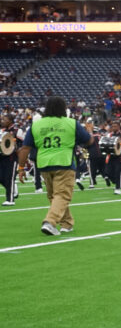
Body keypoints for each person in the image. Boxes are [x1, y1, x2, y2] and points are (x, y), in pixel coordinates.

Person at [17, 96, 94, 235]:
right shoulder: (71, 123)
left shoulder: (36, 125)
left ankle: (67, 223)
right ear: (63, 108)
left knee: (54, 196)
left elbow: (25, 148)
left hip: (44, 164)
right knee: (62, 195)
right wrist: (89, 131)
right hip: (64, 163)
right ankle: (50, 222)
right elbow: (89, 141)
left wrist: (21, 168)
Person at [1, 113, 20, 206]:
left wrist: (16, 146)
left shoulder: (16, 130)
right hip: (2, 157)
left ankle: (10, 200)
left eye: (4, 119)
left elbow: (22, 143)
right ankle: (13, 188)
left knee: (9, 178)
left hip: (11, 158)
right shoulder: (3, 131)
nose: (2, 121)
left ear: (10, 121)